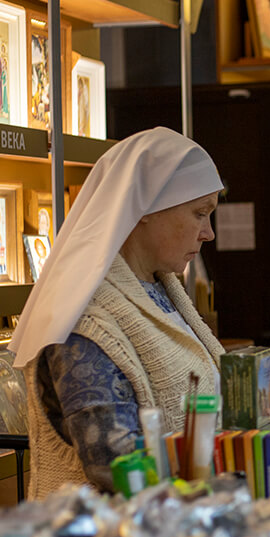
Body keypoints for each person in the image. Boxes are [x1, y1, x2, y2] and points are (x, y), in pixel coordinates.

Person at [10, 127, 226, 499]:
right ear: (145, 208)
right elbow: (113, 463)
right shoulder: (84, 321)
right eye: (199, 213)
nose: (208, 233)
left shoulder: (162, 290)